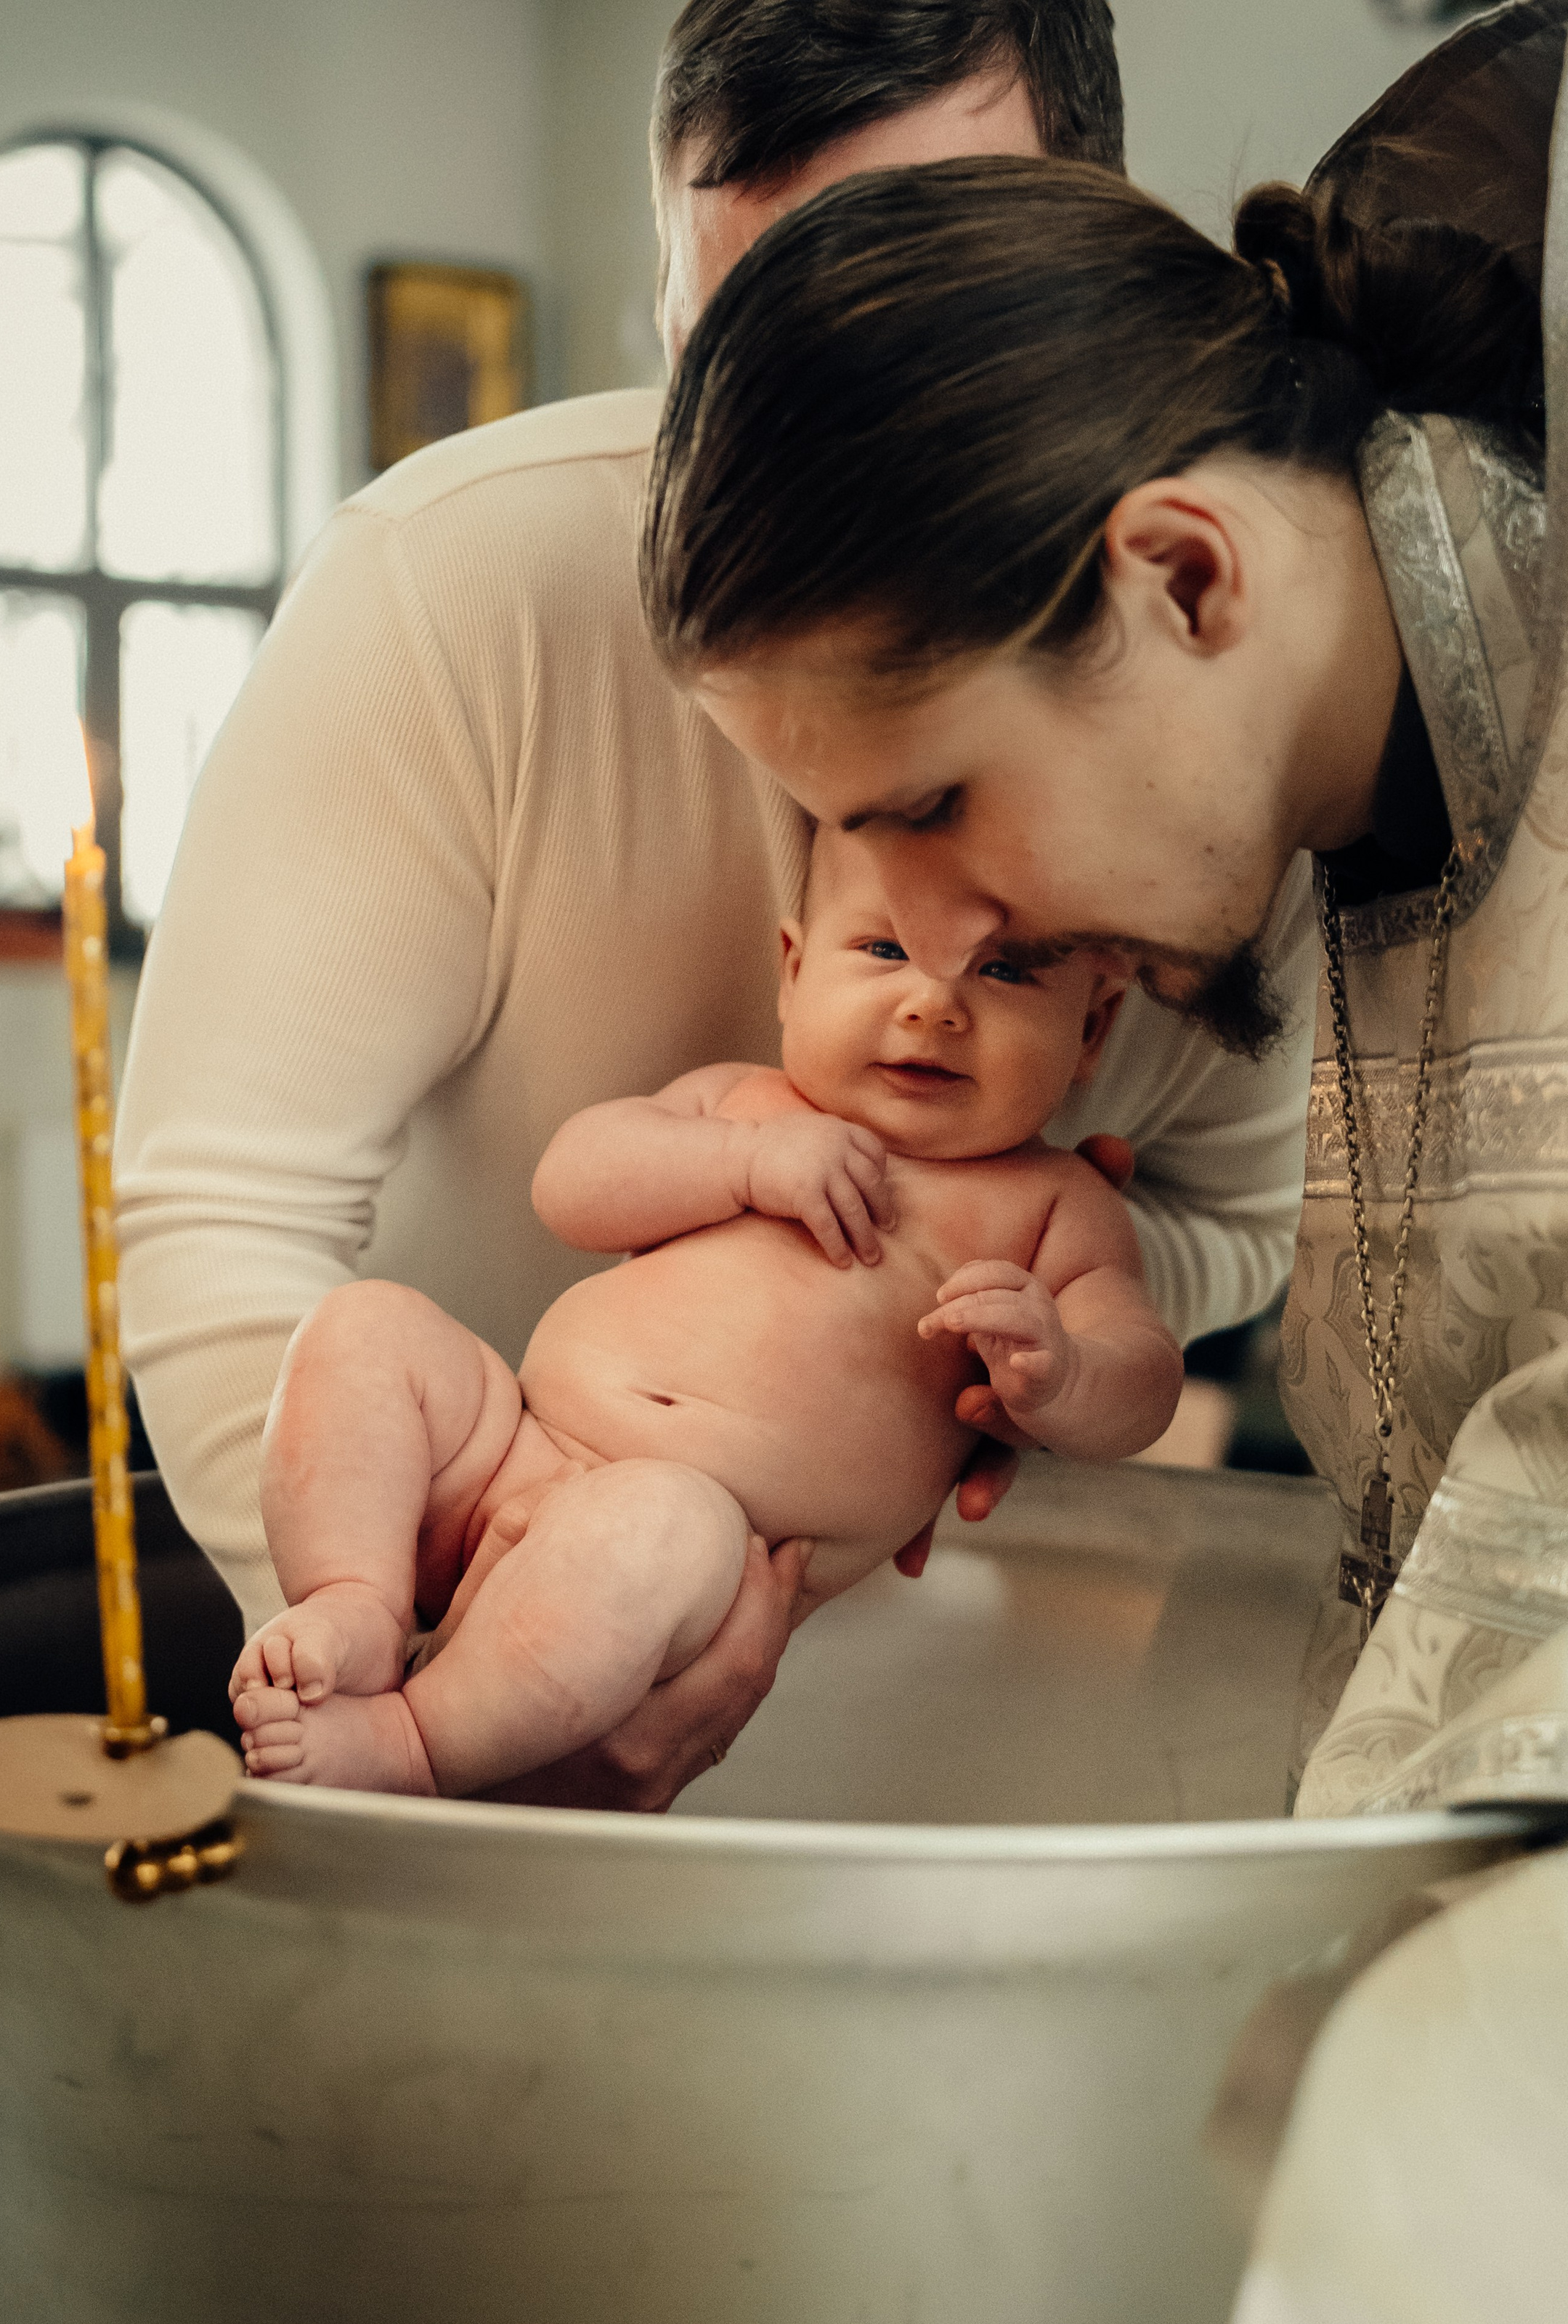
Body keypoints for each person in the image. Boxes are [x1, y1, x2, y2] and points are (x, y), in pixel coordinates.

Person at [115, 0, 1315, 1811]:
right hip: (454, 1581)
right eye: (730, 349)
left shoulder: (1214, 701)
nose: (798, 455)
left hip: (952, 1691)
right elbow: (222, 1209)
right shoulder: (447, 595)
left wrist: (1052, 1337)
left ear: (1075, 255)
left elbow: (1240, 1207)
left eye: (904, 338)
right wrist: (431, 1658)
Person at [639, 4, 1568, 2305]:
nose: (929, 948)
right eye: (851, 843)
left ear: (1181, 579)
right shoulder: (1352, 823)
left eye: (936, 803)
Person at [231, 829, 1180, 1794]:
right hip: (506, 1443)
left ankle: (414, 1744)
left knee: (657, 1524)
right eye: (886, 951)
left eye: (1006, 971)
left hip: (692, 1552)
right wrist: (740, 1164)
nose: (932, 1005)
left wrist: (1062, 1370)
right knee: (368, 1326)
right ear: (793, 969)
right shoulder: (741, 1102)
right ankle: (354, 1599)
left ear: (1092, 1032)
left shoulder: (1057, 1208)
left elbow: (1142, 1372)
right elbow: (573, 1183)